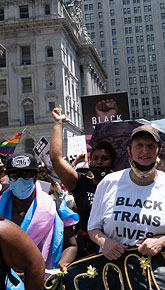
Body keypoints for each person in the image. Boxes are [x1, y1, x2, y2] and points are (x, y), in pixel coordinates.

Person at [87, 125, 165, 261]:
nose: (145, 151)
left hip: (160, 273)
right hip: (115, 269)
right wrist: (104, 242)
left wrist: (163, 241)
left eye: (150, 146)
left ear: (158, 151)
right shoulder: (108, 182)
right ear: (129, 150)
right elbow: (93, 229)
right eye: (139, 145)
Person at [49, 105, 116, 256]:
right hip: (87, 253)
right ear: (89, 163)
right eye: (95, 158)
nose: (99, 162)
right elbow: (56, 159)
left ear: (113, 162)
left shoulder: (123, 185)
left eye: (105, 158)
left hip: (118, 249)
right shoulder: (81, 184)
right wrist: (58, 123)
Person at [0, 153, 79, 271]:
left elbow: (71, 245)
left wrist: (63, 263)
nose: (20, 180)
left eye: (26, 175)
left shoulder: (56, 208)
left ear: (35, 177)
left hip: (46, 280)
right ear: (9, 178)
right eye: (15, 176)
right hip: (9, 282)